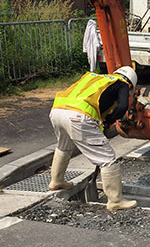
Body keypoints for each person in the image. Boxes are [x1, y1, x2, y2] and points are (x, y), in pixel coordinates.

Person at [48, 66, 138, 212]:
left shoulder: (97, 78)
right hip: (78, 116)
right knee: (107, 158)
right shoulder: (122, 84)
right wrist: (109, 121)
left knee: (63, 146)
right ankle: (116, 201)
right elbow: (122, 107)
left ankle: (56, 181)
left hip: (57, 110)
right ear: (131, 84)